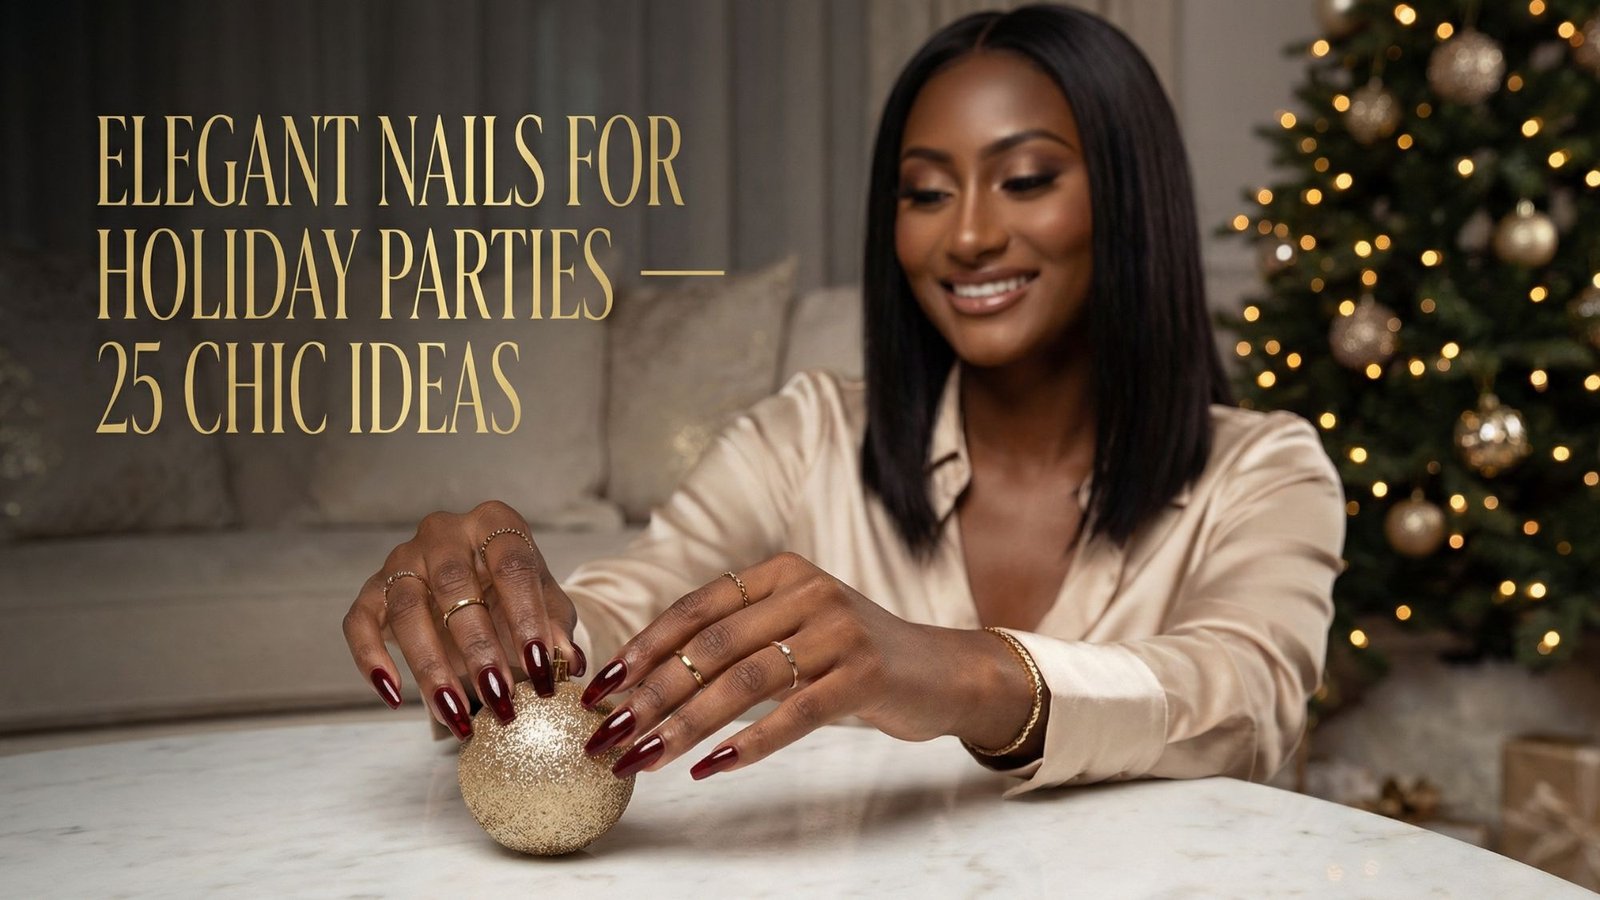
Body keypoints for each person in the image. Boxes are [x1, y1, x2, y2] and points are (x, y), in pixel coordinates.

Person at [341, 4, 1344, 797]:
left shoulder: (1263, 468)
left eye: (1025, 178)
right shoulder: (806, 435)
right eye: (924, 192)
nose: (967, 237)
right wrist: (511, 627)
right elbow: (632, 611)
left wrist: (950, 672)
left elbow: (1243, 702)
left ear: (1130, 200)